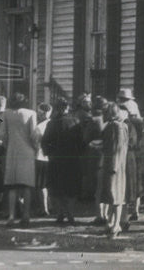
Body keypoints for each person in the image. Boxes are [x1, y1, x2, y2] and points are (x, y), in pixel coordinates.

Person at [41, 97, 81, 225]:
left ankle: (61, 213)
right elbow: (81, 142)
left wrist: (50, 154)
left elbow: (45, 142)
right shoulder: (75, 121)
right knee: (71, 188)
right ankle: (70, 213)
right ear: (67, 108)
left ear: (57, 109)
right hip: (71, 159)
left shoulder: (51, 123)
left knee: (57, 188)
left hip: (56, 160)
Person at [0, 93, 37, 227]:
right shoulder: (31, 113)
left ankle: (11, 216)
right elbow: (34, 134)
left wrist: (6, 144)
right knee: (26, 185)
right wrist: (35, 148)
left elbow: (1, 132)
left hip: (12, 151)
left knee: (12, 186)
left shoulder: (4, 114)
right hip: (27, 152)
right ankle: (26, 215)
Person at [100, 103, 129, 237]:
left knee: (115, 195)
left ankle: (116, 224)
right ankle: (111, 222)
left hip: (114, 165)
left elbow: (116, 147)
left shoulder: (114, 126)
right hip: (119, 164)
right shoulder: (122, 125)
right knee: (114, 195)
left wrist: (114, 165)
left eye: (105, 113)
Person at [116, 88, 144, 221]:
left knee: (128, 181)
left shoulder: (125, 122)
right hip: (137, 151)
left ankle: (126, 212)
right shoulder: (138, 120)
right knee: (137, 180)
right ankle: (136, 210)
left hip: (129, 153)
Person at [78, 95, 105, 224]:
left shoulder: (94, 120)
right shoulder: (109, 119)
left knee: (95, 181)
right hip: (107, 153)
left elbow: (85, 138)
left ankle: (98, 214)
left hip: (94, 152)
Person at [34, 103, 52, 217]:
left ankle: (44, 208)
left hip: (40, 156)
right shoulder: (52, 124)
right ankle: (50, 205)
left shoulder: (39, 127)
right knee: (49, 184)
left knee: (41, 185)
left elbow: (35, 143)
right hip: (52, 157)